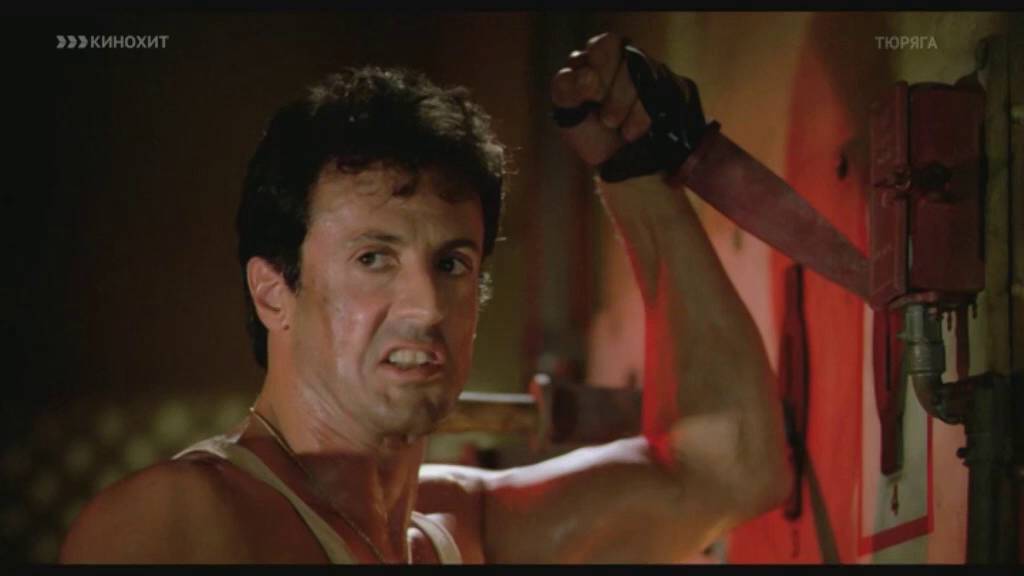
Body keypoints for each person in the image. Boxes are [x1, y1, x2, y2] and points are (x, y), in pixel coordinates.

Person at [59, 32, 791, 564]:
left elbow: (727, 470)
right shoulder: (179, 522)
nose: (426, 308)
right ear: (273, 293)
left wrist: (633, 168)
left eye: (451, 263)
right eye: (373, 258)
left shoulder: (459, 531)